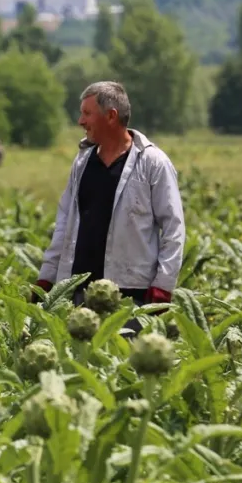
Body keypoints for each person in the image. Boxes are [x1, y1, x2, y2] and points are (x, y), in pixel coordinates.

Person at [36, 81, 185, 321]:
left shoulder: (152, 163)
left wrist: (163, 287)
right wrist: (47, 277)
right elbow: (64, 225)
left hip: (132, 295)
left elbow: (173, 229)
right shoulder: (82, 163)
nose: (80, 121)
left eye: (87, 113)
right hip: (78, 293)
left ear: (111, 116)